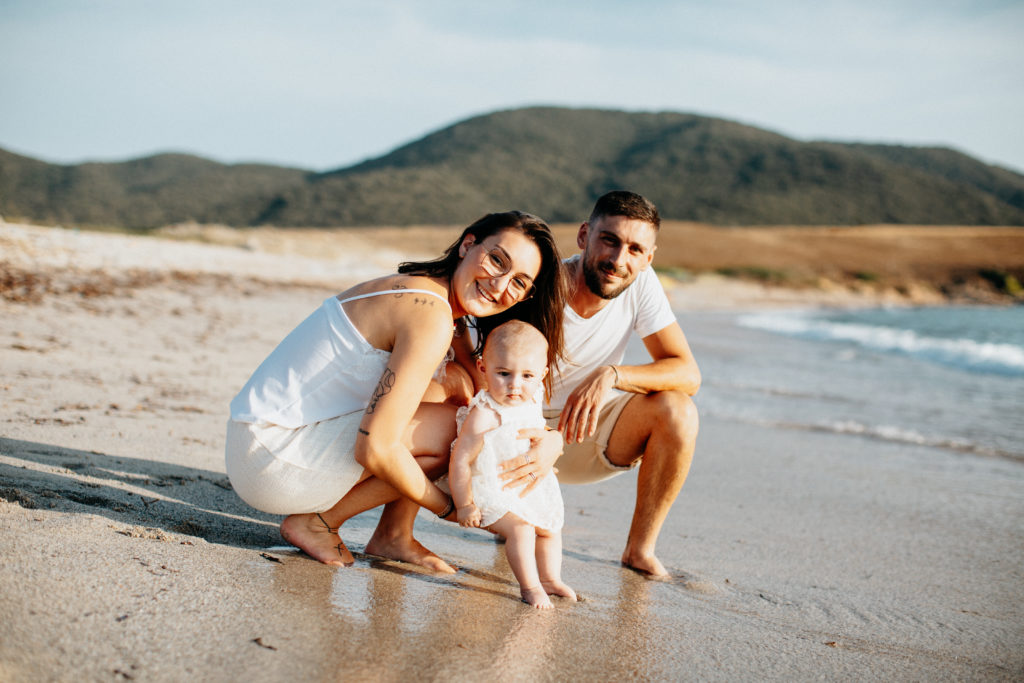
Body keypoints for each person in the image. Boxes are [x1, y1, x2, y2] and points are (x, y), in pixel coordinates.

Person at [224, 211, 566, 570]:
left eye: (518, 282)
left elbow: (490, 398)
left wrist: (551, 439)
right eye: (497, 260)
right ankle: (318, 524)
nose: (499, 285)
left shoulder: (438, 302)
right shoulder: (429, 314)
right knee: (463, 427)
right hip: (272, 461)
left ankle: (393, 535)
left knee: (461, 396)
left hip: (258, 443)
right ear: (468, 244)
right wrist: (449, 507)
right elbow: (376, 446)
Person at [497, 190, 701, 579]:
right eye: (609, 240)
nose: (618, 260)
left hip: (586, 431)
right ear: (584, 235)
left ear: (648, 258)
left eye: (635, 249)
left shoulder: (641, 283)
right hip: (519, 440)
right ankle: (508, 512)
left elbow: (688, 373)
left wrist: (613, 374)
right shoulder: (542, 281)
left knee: (678, 410)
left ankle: (639, 551)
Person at [449, 320, 575, 609]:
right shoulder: (485, 414)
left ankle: (551, 578)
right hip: (490, 487)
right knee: (522, 530)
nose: (515, 385)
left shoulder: (532, 398)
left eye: (527, 376)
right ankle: (530, 586)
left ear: (541, 376)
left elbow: (535, 432)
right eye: (504, 374)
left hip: (522, 483)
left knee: (550, 527)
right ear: (483, 369)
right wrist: (465, 503)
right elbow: (460, 460)